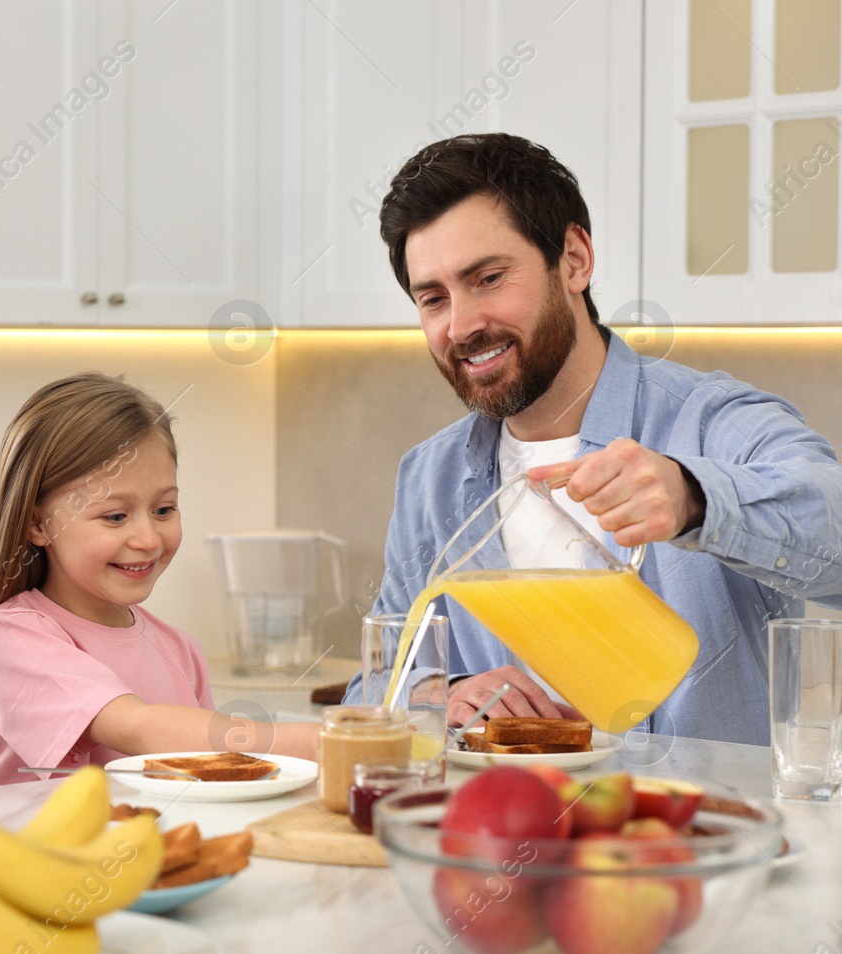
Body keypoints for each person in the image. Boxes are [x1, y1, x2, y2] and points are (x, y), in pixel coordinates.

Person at [353, 132, 842, 743]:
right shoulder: (431, 477)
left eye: (489, 278)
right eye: (433, 298)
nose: (461, 325)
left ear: (575, 260)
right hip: (513, 830)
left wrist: (694, 498)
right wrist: (443, 692)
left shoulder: (709, 421)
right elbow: (377, 678)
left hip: (703, 831)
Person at [0, 372, 320, 785]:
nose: (148, 539)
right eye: (115, 516)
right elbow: (139, 728)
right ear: (37, 524)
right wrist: (319, 742)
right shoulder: (15, 638)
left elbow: (211, 774)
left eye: (164, 510)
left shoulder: (182, 651)